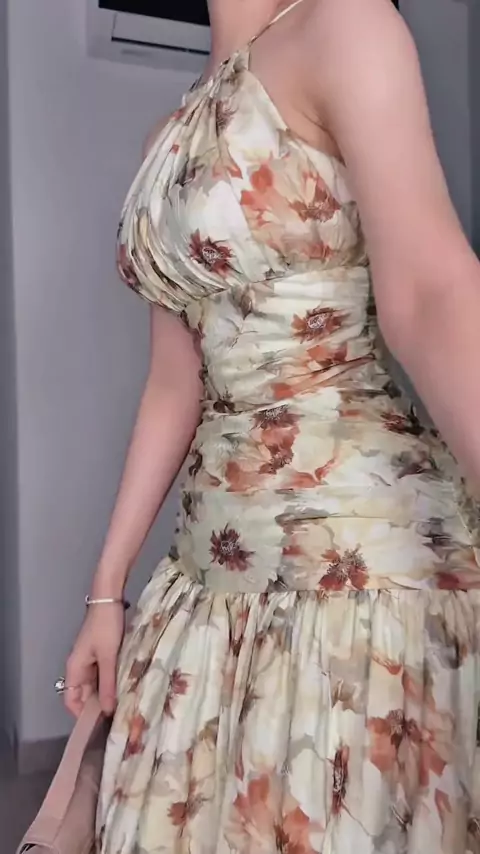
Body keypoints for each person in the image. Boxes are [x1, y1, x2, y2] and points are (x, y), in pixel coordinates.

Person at [62, 0, 480, 850]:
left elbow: (433, 294)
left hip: (359, 575)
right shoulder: (172, 132)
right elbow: (174, 384)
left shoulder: (347, 25)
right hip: (207, 573)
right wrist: (106, 591)